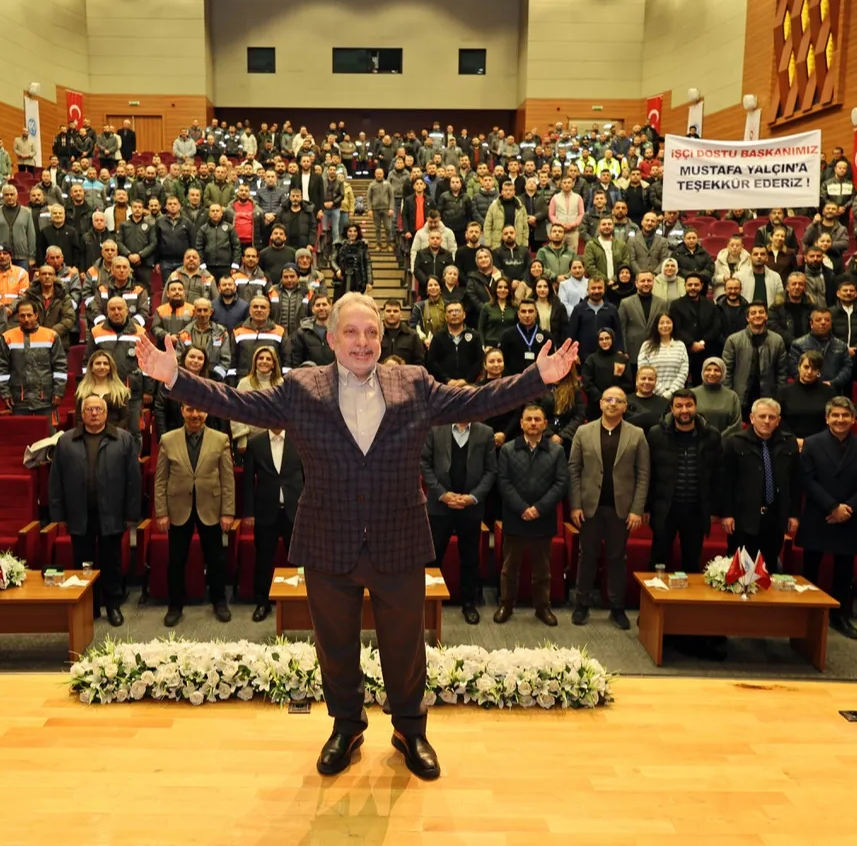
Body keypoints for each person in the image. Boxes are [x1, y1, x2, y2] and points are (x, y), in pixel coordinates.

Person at [134, 291, 577, 781]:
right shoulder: (301, 387)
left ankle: (410, 729)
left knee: (405, 647)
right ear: (331, 338)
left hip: (398, 538)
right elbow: (236, 402)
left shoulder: (414, 382)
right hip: (328, 539)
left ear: (382, 339)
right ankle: (346, 726)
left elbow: (478, 399)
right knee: (335, 646)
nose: (362, 342)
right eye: (351, 331)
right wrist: (174, 378)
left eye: (371, 332)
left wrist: (539, 377)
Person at [49, 394, 141, 627]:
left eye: (98, 409)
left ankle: (113, 605)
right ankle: (89, 606)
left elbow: (133, 479)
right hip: (79, 513)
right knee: (83, 563)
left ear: (106, 413)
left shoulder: (123, 439)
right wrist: (58, 515)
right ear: (82, 413)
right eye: (89, 409)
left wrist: (132, 514)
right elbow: (56, 480)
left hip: (112, 512)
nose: (94, 413)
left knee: (112, 562)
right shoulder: (66, 441)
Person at [568, 385, 649, 629]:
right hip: (589, 507)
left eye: (619, 401)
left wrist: (636, 509)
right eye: (609, 399)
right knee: (587, 556)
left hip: (620, 509)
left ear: (625, 407)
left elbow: (643, 474)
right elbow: (574, 470)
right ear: (601, 403)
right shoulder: (583, 431)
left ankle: (617, 607)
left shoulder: (637, 435)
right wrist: (575, 505)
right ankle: (582, 604)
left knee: (617, 558)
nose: (613, 404)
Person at [796, 396, 857, 640]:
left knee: (844, 570)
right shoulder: (812, 443)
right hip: (819, 514)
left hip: (850, 517)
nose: (840, 420)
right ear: (827, 418)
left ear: (853, 419)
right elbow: (807, 480)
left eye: (845, 415)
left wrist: (847, 509)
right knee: (810, 567)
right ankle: (806, 614)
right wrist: (832, 507)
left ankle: (840, 617)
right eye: (835, 415)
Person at [154, 403, 235, 626]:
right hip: (178, 508)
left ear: (207, 411)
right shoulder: (168, 439)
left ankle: (219, 601)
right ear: (182, 411)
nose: (195, 414)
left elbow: (227, 479)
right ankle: (175, 605)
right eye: (190, 409)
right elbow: (160, 479)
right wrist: (161, 512)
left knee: (216, 559)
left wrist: (228, 512)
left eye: (200, 410)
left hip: (211, 508)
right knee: (176, 560)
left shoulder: (220, 439)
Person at [494, 403, 569, 627]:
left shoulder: (556, 451)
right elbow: (503, 482)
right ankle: (506, 605)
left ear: (545, 424)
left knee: (542, 569)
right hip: (514, 516)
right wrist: (522, 508)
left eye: (537, 419)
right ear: (521, 423)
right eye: (529, 419)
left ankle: (542, 607)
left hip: (543, 517)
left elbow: (561, 483)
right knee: (510, 567)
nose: (533, 423)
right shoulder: (508, 449)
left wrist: (538, 508)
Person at [422, 418, 496, 625]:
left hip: (470, 506)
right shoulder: (435, 429)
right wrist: (442, 494)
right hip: (439, 505)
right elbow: (424, 465)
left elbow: (491, 471)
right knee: (433, 558)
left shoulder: (486, 432)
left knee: (470, 558)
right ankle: (427, 603)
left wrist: (473, 497)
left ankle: (469, 603)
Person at [719, 398, 799, 571]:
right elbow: (726, 481)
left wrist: (793, 514)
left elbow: (794, 482)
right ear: (752, 418)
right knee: (739, 571)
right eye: (762, 416)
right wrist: (726, 514)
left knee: (768, 570)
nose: (767, 421)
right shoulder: (734, 442)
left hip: (775, 518)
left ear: (778, 420)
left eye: (772, 417)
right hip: (743, 518)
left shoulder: (789, 442)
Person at [646, 388, 721, 574]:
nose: (684, 410)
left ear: (696, 407)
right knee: (658, 561)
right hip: (666, 508)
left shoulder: (711, 435)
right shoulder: (656, 434)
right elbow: (649, 473)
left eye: (689, 405)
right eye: (679, 406)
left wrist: (714, 509)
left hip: (696, 509)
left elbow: (718, 473)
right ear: (672, 409)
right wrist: (646, 507)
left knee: (692, 563)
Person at [243, 427, 304, 622]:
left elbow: (308, 477)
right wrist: (248, 512)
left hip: (295, 511)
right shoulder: (255, 443)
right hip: (266, 511)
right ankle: (262, 602)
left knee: (299, 560)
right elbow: (247, 481)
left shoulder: (299, 439)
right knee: (263, 559)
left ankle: (300, 603)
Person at [0, 299, 67, 420]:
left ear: (36, 315)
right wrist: (5, 393)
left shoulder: (51, 336)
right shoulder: (8, 337)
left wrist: (58, 392)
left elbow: (60, 367)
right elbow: (2, 369)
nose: (26, 319)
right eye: (22, 316)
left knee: (48, 432)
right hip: (18, 399)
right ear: (17, 316)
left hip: (46, 398)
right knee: (21, 432)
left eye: (29, 315)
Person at [722, 301, 787, 411]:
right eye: (753, 313)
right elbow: (726, 372)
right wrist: (729, 397)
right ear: (747, 318)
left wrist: (778, 396)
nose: (757, 315)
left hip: (768, 397)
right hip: (740, 397)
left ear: (766, 316)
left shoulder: (777, 340)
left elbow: (782, 372)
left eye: (761, 312)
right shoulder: (733, 340)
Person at [636, 313, 688, 398]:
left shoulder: (680, 345)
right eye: (661, 323)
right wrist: (662, 393)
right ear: (656, 325)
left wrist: (671, 392)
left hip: (676, 395)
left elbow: (683, 372)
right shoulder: (647, 346)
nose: (665, 325)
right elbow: (643, 371)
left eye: (668, 322)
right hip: (652, 394)